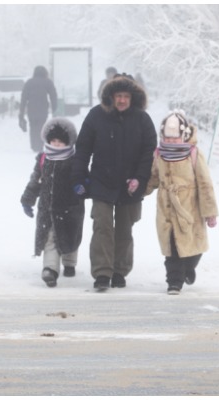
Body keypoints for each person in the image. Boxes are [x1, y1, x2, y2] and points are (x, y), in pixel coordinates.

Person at [71, 73, 157, 290]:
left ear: (132, 98)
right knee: (102, 227)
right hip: (101, 181)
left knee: (124, 230)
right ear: (110, 97)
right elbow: (82, 149)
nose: (121, 100)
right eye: (118, 95)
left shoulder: (142, 120)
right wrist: (79, 177)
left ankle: (119, 270)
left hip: (130, 185)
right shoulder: (96, 116)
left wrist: (139, 178)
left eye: (125, 96)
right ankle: (102, 272)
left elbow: (149, 153)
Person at [145, 110, 218, 295]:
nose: (170, 142)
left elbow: (205, 184)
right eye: (167, 138)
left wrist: (210, 212)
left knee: (193, 248)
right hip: (167, 209)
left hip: (189, 210)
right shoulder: (159, 154)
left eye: (174, 138)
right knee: (172, 248)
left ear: (184, 136)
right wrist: (138, 190)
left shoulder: (193, 154)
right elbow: (153, 178)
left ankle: (189, 268)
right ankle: (174, 282)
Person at [21, 117, 84, 287]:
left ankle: (69, 263)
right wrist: (28, 199)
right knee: (50, 238)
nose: (56, 145)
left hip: (70, 208)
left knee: (70, 236)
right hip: (47, 208)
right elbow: (35, 181)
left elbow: (83, 178)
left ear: (68, 142)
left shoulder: (74, 159)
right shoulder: (43, 158)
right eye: (53, 141)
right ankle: (50, 270)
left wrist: (82, 187)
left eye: (60, 142)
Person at [19, 65, 58, 152]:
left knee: (33, 126)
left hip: (31, 108)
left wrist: (21, 112)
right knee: (41, 126)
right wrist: (54, 108)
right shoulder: (47, 82)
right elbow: (53, 95)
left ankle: (34, 146)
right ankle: (39, 146)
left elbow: (24, 98)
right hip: (43, 108)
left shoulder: (29, 82)